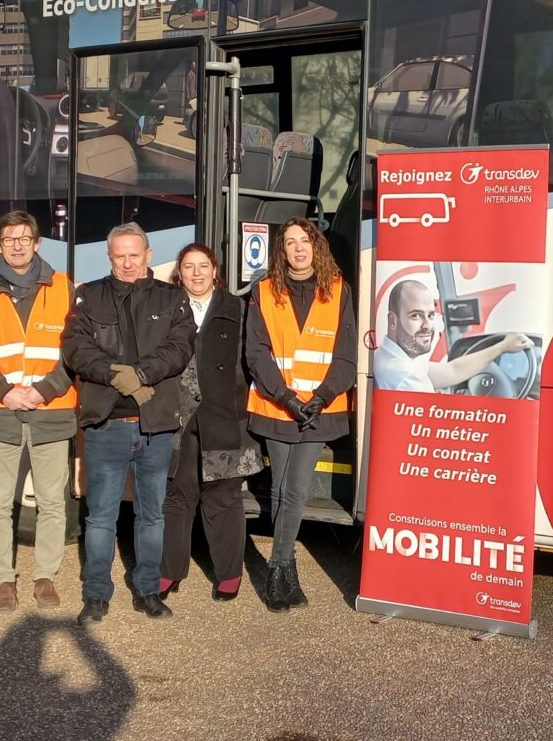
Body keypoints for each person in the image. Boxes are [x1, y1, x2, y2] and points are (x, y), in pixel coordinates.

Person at [63, 223, 194, 623]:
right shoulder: (88, 295)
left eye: (134, 255)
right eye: (119, 256)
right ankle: (96, 594)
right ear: (109, 257)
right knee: (100, 516)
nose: (127, 263)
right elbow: (75, 347)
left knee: (152, 515)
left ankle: (148, 590)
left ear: (148, 255)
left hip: (156, 425)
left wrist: (139, 374)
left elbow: (180, 346)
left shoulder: (172, 297)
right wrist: (111, 374)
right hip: (106, 425)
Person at [244, 217, 357, 613]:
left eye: (304, 241)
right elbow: (256, 352)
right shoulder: (263, 290)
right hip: (278, 405)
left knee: (294, 489)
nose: (298, 248)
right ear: (282, 251)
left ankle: (276, 570)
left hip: (318, 409)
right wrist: (287, 398)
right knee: (280, 488)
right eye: (290, 242)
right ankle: (285, 569)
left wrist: (321, 398)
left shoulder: (339, 290)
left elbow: (346, 355)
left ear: (316, 246)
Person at [0, 211, 78, 613]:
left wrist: (44, 390)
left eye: (24, 238)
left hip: (51, 410)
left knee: (53, 502)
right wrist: (4, 392)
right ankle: (3, 580)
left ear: (37, 243)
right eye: (9, 239)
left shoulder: (63, 287)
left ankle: (45, 577)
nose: (17, 245)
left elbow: (76, 349)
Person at [161, 243, 263, 602]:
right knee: (177, 494)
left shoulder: (237, 308)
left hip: (224, 414)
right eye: (189, 267)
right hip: (177, 416)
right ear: (180, 273)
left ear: (215, 270)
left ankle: (229, 574)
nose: (197, 273)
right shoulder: (168, 307)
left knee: (224, 495)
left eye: (203, 266)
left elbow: (252, 360)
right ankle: (169, 570)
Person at [373, 279, 530, 394]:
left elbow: (452, 370)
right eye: (416, 316)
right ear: (393, 321)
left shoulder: (391, 355)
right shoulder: (405, 377)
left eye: (431, 315)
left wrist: (502, 347)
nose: (427, 325)